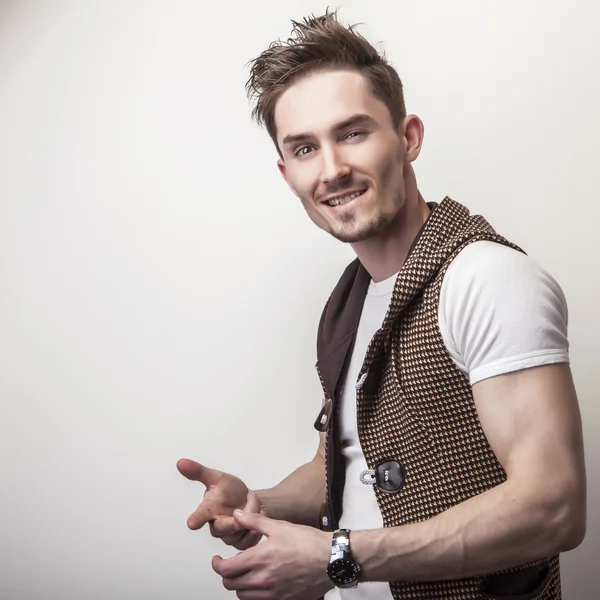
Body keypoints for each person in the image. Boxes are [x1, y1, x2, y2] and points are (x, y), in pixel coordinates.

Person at [177, 10, 587, 600]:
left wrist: (336, 559)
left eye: (352, 133)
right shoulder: (348, 300)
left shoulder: (486, 278)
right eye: (304, 148)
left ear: (409, 137)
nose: (333, 169)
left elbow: (554, 508)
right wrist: (259, 505)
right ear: (285, 172)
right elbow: (340, 464)